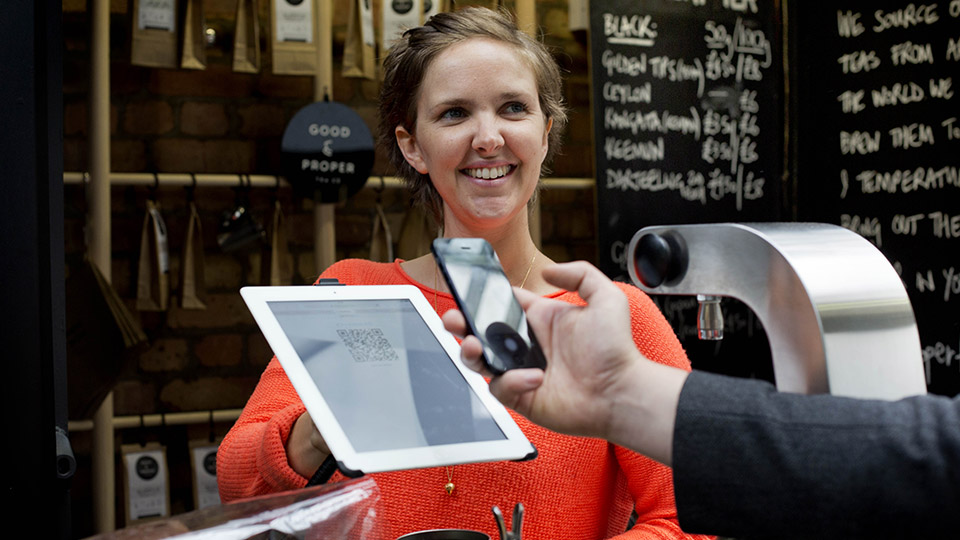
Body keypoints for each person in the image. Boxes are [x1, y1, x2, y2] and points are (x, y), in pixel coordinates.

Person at [217, 7, 711, 540]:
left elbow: (692, 517)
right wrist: (324, 426)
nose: (488, 138)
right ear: (413, 146)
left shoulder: (614, 316)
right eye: (454, 114)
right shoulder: (356, 291)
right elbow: (238, 485)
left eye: (513, 108)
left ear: (545, 133)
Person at [442, 260, 960, 539]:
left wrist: (621, 392)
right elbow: (923, 459)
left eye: (514, 108)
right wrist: (621, 392)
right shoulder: (358, 280)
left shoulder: (628, 312)